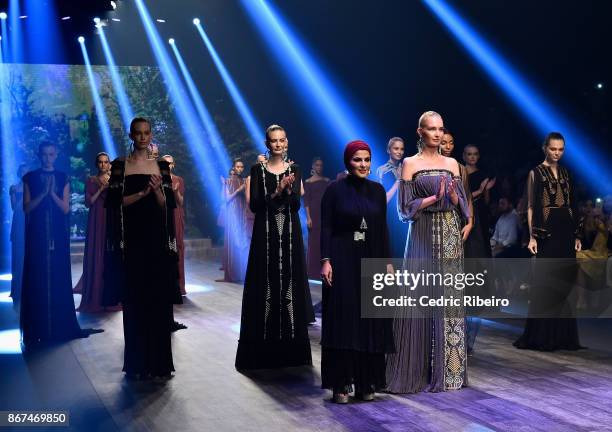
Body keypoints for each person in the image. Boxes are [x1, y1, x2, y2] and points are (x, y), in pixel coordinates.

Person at [386, 111, 470, 393]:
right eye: (431, 129)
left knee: (450, 302)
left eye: (440, 129)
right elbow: (403, 209)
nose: (437, 134)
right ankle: (413, 371)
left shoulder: (452, 164)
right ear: (420, 131)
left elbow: (462, 205)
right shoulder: (410, 163)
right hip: (421, 231)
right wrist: (434, 197)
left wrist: (453, 196)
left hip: (449, 232)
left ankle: (451, 373)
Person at [105, 117, 181, 378]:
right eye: (138, 133)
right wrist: (142, 194)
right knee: (135, 301)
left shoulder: (161, 165)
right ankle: (137, 364)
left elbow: (167, 206)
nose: (142, 137)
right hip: (133, 242)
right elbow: (115, 204)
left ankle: (159, 363)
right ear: (131, 135)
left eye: (146, 133)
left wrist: (158, 191)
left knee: (157, 301)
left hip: (157, 242)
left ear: (151, 135)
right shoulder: (119, 165)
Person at [320, 141, 395, 403]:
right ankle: (341, 384)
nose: (363, 164)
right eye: (357, 160)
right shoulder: (334, 190)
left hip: (371, 257)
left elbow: (381, 229)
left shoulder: (376, 191)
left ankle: (366, 381)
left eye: (366, 159)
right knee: (344, 319)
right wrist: (326, 259)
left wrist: (387, 264)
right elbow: (326, 227)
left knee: (369, 320)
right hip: (342, 258)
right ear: (347, 162)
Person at [235, 124, 312, 370]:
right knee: (265, 286)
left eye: (281, 140)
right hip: (264, 235)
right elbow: (255, 206)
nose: (278, 144)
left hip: (289, 235)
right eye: (273, 141)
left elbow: (295, 206)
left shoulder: (295, 169)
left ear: (286, 143)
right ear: (267, 144)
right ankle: (263, 351)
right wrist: (278, 190)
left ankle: (290, 353)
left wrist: (287, 192)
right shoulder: (257, 170)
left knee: (289, 285)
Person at [514, 132, 583, 351]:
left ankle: (563, 337)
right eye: (553, 149)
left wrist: (577, 235)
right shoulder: (536, 172)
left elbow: (575, 204)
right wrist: (533, 235)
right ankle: (542, 336)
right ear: (545, 147)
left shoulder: (566, 172)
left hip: (566, 230)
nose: (557, 153)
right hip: (547, 231)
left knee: (564, 282)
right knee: (545, 282)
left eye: (561, 149)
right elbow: (532, 205)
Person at [20, 142, 93, 347]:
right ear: (39, 155)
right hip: (36, 235)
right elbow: (27, 209)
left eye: (51, 154)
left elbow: (64, 208)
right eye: (44, 154)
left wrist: (52, 193)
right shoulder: (30, 178)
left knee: (58, 277)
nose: (47, 158)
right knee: (38, 278)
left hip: (58, 237)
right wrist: (43, 193)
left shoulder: (63, 177)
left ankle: (59, 326)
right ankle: (39, 327)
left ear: (56, 155)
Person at [74, 152, 117, 312]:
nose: (103, 165)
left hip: (109, 218)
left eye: (106, 162)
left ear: (109, 164)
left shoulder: (114, 180)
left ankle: (109, 294)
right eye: (100, 162)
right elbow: (89, 202)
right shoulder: (91, 181)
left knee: (110, 254)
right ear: (96, 164)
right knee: (96, 252)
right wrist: (101, 189)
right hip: (96, 219)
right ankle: (95, 294)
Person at [375, 137, 407, 259]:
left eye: (402, 149)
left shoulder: (406, 168)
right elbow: (384, 200)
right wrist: (399, 180)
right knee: (391, 251)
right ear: (389, 150)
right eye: (396, 148)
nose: (399, 152)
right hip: (390, 215)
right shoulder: (382, 171)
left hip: (405, 214)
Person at [162, 154, 186, 295]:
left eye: (170, 163)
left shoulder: (179, 180)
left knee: (177, 248)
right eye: (165, 163)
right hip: (162, 215)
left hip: (176, 214)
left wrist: (176, 192)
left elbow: (181, 202)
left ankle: (178, 285)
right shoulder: (157, 179)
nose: (168, 166)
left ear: (173, 165)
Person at [304, 157, 330, 280]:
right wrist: (308, 218)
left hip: (325, 214)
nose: (319, 167)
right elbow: (306, 201)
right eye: (317, 165)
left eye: (321, 165)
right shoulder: (308, 182)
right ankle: (312, 272)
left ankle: (325, 270)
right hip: (313, 214)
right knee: (313, 243)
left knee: (324, 242)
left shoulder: (327, 181)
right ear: (313, 166)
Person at [223, 159, 249, 282]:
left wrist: (245, 187)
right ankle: (232, 272)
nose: (240, 169)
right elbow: (227, 199)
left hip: (242, 211)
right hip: (232, 212)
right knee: (233, 240)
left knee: (243, 240)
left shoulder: (244, 181)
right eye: (237, 166)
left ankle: (242, 273)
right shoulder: (228, 181)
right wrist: (239, 190)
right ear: (233, 167)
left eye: (242, 166)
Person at [9, 164, 28, 303]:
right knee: (18, 254)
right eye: (22, 171)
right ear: (19, 173)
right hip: (19, 220)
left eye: (26, 171)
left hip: (30, 219)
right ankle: (18, 289)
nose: (24, 173)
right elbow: (13, 207)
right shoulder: (14, 188)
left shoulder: (34, 188)